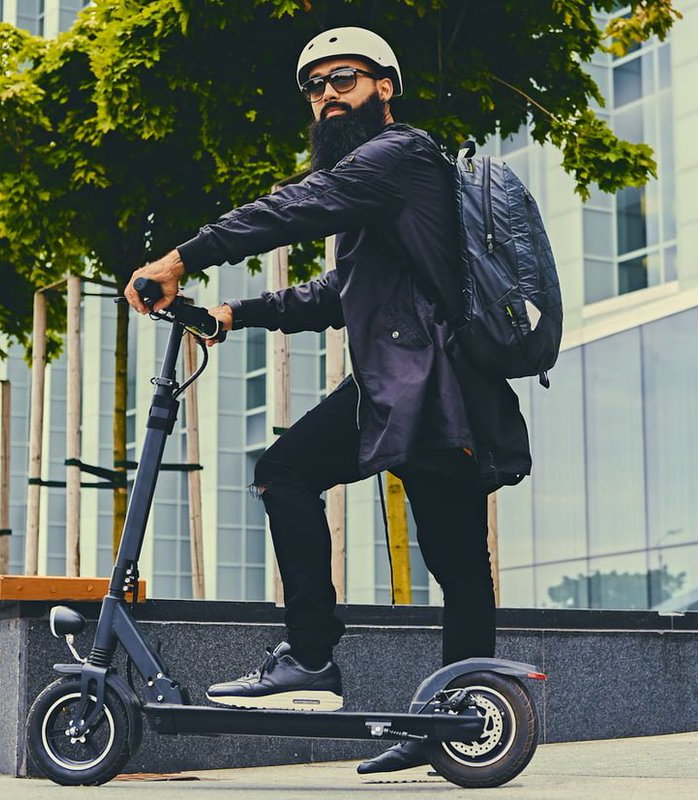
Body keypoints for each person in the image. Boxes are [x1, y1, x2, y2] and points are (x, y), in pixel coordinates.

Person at [124, 26, 531, 775]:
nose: (326, 96)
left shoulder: (399, 155)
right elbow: (338, 294)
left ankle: (330, 666)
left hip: (431, 385)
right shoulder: (379, 189)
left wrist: (183, 258)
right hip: (404, 385)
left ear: (385, 86)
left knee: (434, 550)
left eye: (342, 78)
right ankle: (448, 715)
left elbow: (295, 207)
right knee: (434, 550)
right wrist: (235, 314)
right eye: (313, 87)